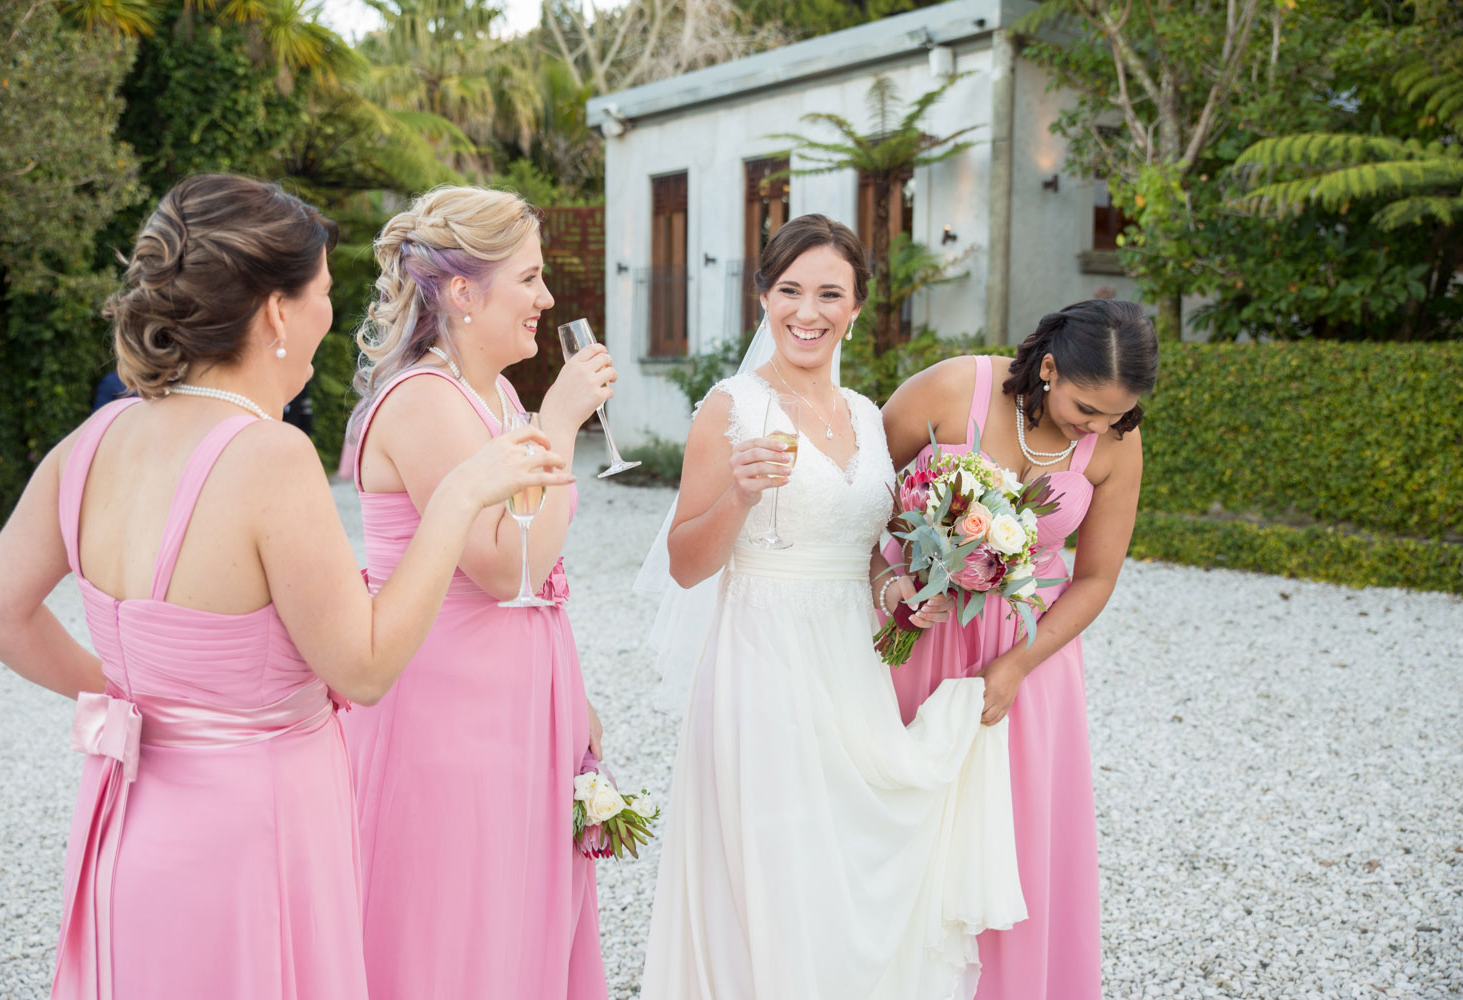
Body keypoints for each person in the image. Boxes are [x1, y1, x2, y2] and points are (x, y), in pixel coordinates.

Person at [0, 173, 571, 1000]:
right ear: (278, 313)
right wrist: (461, 498)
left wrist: (131, 698)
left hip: (127, 828)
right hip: (252, 838)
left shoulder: (94, 438)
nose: (336, 314)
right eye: (325, 291)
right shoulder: (270, 456)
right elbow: (361, 670)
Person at [638, 214, 1026, 1000]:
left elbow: (865, 560)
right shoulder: (732, 407)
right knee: (778, 873)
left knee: (845, 862)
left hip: (850, 665)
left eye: (828, 294)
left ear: (856, 308)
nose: (805, 312)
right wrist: (740, 496)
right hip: (762, 666)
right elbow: (684, 564)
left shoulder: (865, 413)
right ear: (762, 299)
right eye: (788, 291)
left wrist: (901, 595)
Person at [342, 186, 612, 999]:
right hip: (445, 716)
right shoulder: (423, 400)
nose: (547, 298)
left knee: (515, 916)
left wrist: (574, 693)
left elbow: (534, 552)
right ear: (464, 292)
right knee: (454, 924)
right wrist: (563, 420)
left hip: (511, 703)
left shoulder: (491, 395)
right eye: (528, 278)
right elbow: (506, 565)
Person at [882, 299, 1158, 1000]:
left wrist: (1017, 666)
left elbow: (1097, 577)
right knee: (899, 822)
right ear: (1048, 365)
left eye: (1116, 415)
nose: (1096, 426)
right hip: (921, 631)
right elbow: (856, 490)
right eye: (1086, 407)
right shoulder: (951, 388)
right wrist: (890, 582)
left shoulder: (1118, 444)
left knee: (1015, 841)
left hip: (1028, 663)